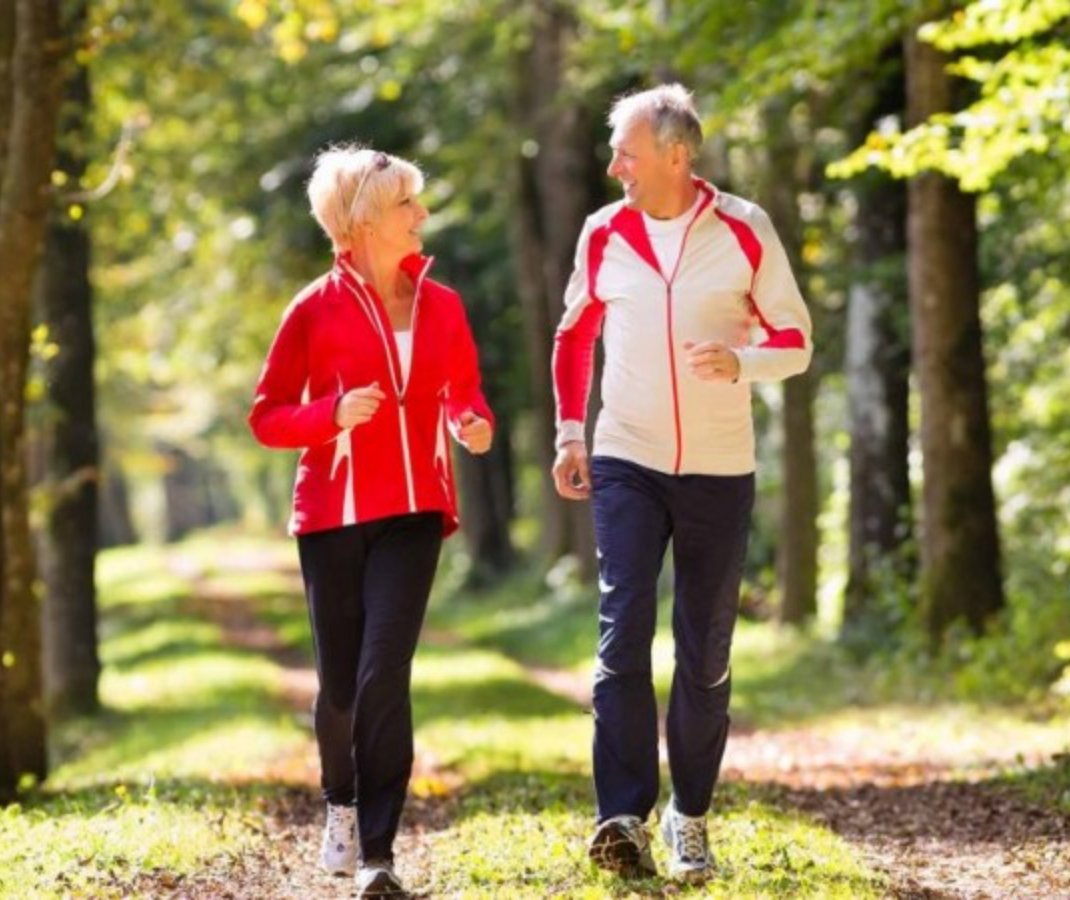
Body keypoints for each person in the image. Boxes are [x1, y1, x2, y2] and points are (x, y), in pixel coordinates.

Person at [551, 84, 813, 884]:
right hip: (626, 455)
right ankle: (621, 816)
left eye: (626, 152)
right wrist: (570, 434)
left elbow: (796, 340)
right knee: (622, 630)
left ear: (676, 154)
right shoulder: (605, 233)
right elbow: (574, 336)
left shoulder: (744, 229)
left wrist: (744, 362)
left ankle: (689, 816)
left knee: (703, 653)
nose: (613, 167)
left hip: (718, 465)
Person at [250, 144, 494, 900]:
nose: (421, 216)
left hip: (417, 510)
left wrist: (470, 421)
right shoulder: (312, 310)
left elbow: (466, 392)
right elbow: (266, 417)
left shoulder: (442, 304)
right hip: (332, 513)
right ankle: (342, 804)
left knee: (386, 672)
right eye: (406, 205)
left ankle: (379, 854)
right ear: (359, 223)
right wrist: (330, 414)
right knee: (343, 686)